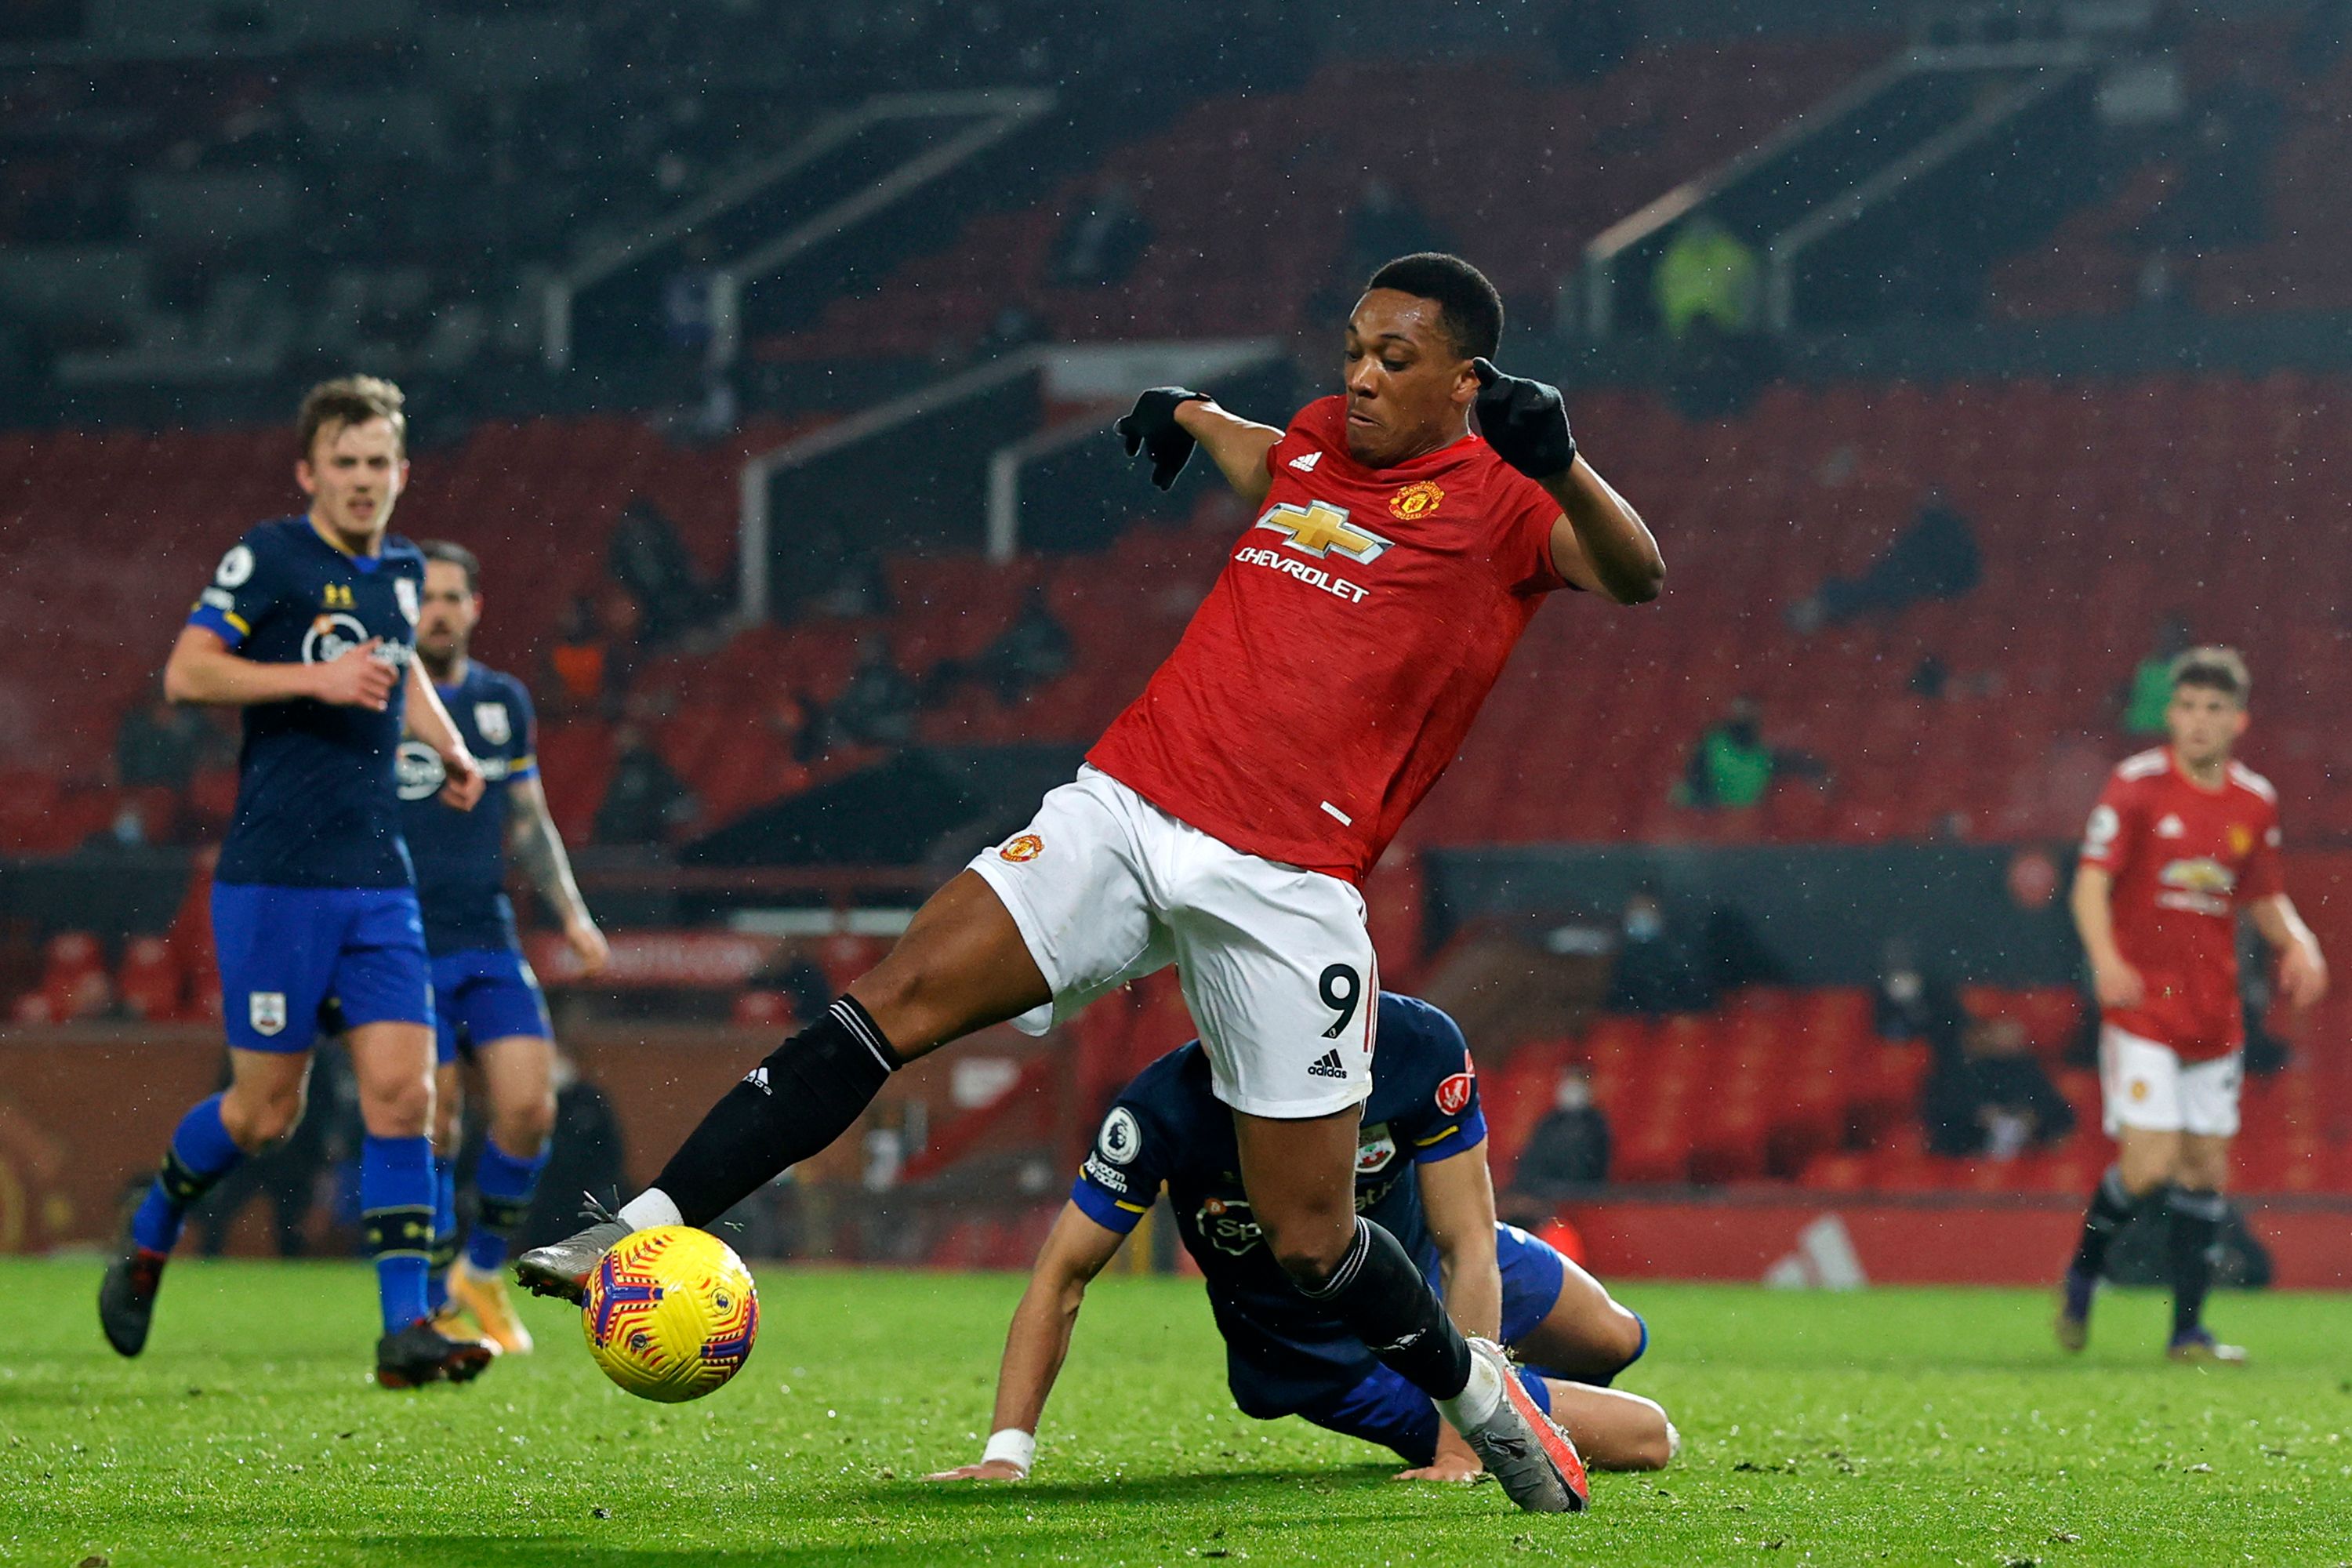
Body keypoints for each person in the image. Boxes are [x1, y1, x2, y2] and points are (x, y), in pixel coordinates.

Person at [519, 252, 1663, 1515]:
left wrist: (1558, 459)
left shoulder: (1503, 503)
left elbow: (1636, 571)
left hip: (1282, 880)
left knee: (1310, 1241)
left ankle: (1482, 1403)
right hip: (1127, 803)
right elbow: (1264, 452)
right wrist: (1179, 413)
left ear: (1468, 380)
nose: (1362, 377)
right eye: (1352, 348)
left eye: (1396, 359)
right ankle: (632, 1225)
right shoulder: (1323, 442)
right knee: (894, 996)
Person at [98, 376, 497, 1388]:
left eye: (380, 465)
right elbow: (187, 673)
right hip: (276, 878)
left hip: (379, 878)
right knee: (264, 1113)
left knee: (405, 1099)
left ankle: (405, 1333)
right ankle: (152, 1236)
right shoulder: (269, 557)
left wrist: (450, 748)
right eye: (346, 463)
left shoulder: (404, 570)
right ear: (309, 471)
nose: (364, 482)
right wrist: (311, 681)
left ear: (403, 475)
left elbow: (400, 670)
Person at [925, 995, 1671, 1486]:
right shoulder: (1165, 1107)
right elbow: (1062, 1275)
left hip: (1429, 1263)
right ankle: (1514, 1394)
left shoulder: (1415, 1043)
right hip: (1333, 1355)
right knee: (1648, 1435)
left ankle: (1514, 1384)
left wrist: (1464, 1436)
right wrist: (1005, 1454)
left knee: (1615, 1338)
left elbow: (1469, 1244)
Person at [2056, 648, 2326, 1363]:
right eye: (2187, 707)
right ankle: (2083, 1276)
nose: (2198, 721)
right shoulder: (2136, 788)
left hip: (2214, 1015)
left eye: (2214, 709)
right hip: (2144, 1007)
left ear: (2238, 720)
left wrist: (2300, 943)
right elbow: (2088, 885)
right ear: (2170, 713)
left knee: (2206, 1168)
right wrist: (2107, 961)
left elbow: (2264, 895)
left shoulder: (2253, 801)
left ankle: (2188, 1333)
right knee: (2148, 1165)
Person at [402, 539, 611, 1354]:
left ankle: (479, 1267)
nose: (441, 610)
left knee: (529, 1106)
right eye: (428, 598)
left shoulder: (501, 700)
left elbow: (528, 816)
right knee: (434, 1117)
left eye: (455, 596)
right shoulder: (379, 699)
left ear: (476, 606)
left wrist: (571, 913)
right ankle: (425, 1298)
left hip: (487, 931)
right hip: (402, 937)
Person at [1511, 1066, 1613, 1199]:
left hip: (1579, 1194)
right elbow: (1532, 1158)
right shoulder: (1550, 1121)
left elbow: (1595, 1164)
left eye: (1576, 1083)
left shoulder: (1596, 1123)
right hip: (1542, 1191)